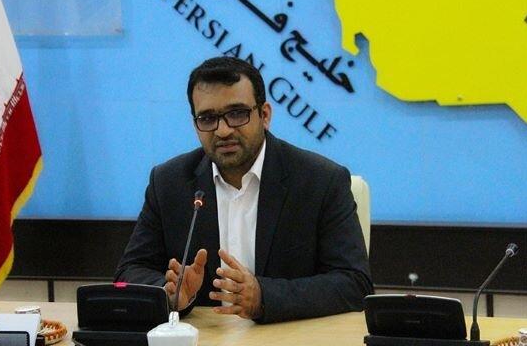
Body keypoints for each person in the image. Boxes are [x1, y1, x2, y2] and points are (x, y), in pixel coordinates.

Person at [115, 56, 373, 323]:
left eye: (237, 114)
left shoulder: (321, 181)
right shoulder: (168, 183)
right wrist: (171, 293)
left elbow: (355, 284)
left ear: (265, 115)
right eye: (208, 118)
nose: (223, 130)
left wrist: (265, 297)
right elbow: (129, 271)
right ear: (195, 125)